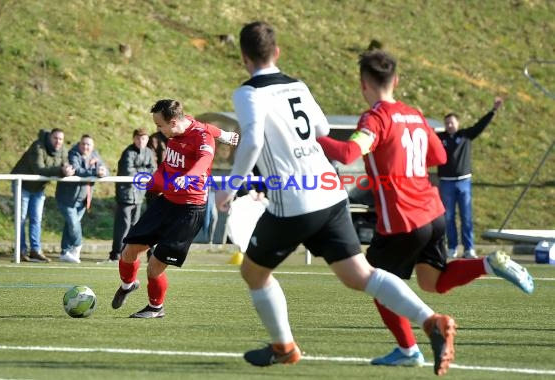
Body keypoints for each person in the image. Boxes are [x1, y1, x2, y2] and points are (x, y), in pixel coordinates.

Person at [215, 21, 458, 376]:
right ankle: (431, 320)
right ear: (277, 52)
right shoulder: (298, 85)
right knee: (360, 274)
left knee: (253, 272)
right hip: (329, 193)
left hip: (292, 200)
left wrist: (231, 184)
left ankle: (284, 346)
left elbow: (251, 139)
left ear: (243, 58)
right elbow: (323, 130)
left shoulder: (248, 93)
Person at [316, 50, 533, 367]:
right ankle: (488, 264)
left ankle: (409, 351)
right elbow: (439, 158)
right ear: (397, 81)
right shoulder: (414, 115)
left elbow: (349, 152)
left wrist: (316, 138)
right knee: (434, 281)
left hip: (402, 218)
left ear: (363, 84)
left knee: (376, 281)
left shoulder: (375, 118)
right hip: (433, 212)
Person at [111, 98, 216, 319]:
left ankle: (155, 308)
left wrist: (188, 179)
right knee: (128, 251)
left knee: (154, 265)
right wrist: (154, 183)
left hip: (189, 210)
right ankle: (128, 284)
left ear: (174, 122)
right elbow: (166, 166)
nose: (157, 130)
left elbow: (204, 161)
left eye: (160, 125)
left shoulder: (200, 136)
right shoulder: (177, 130)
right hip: (167, 201)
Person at [437, 97, 503, 258]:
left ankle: (469, 248)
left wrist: (492, 111)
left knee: (466, 216)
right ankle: (452, 247)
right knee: (449, 216)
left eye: (452, 122)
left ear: (458, 123)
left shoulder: (466, 135)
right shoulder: (440, 138)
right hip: (446, 183)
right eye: (447, 123)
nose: (449, 125)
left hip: (463, 182)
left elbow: (480, 126)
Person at [11, 128, 75, 262]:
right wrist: (60, 171)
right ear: (49, 137)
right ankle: (21, 251)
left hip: (39, 187)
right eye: (55, 138)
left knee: (36, 219)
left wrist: (68, 170)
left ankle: (36, 250)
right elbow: (38, 169)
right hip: (22, 185)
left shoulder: (63, 150)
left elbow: (65, 164)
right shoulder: (38, 146)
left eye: (61, 139)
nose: (58, 141)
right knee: (21, 219)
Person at [55, 134, 108, 263]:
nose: (86, 146)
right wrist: (95, 172)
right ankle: (78, 246)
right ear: (79, 144)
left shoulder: (95, 155)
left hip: (83, 199)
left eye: (88, 144)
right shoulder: (73, 154)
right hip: (67, 198)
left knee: (70, 225)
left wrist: (103, 172)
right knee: (74, 224)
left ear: (93, 146)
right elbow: (77, 170)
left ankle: (65, 252)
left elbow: (104, 169)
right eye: (83, 144)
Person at [107, 128, 156, 262]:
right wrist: (144, 171)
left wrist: (141, 171)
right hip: (126, 195)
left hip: (140, 195)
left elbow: (154, 170)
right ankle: (116, 253)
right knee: (123, 226)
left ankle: (128, 254)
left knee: (135, 226)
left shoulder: (149, 152)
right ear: (134, 139)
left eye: (144, 138)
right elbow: (129, 172)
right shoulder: (128, 153)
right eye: (139, 138)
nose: (141, 141)